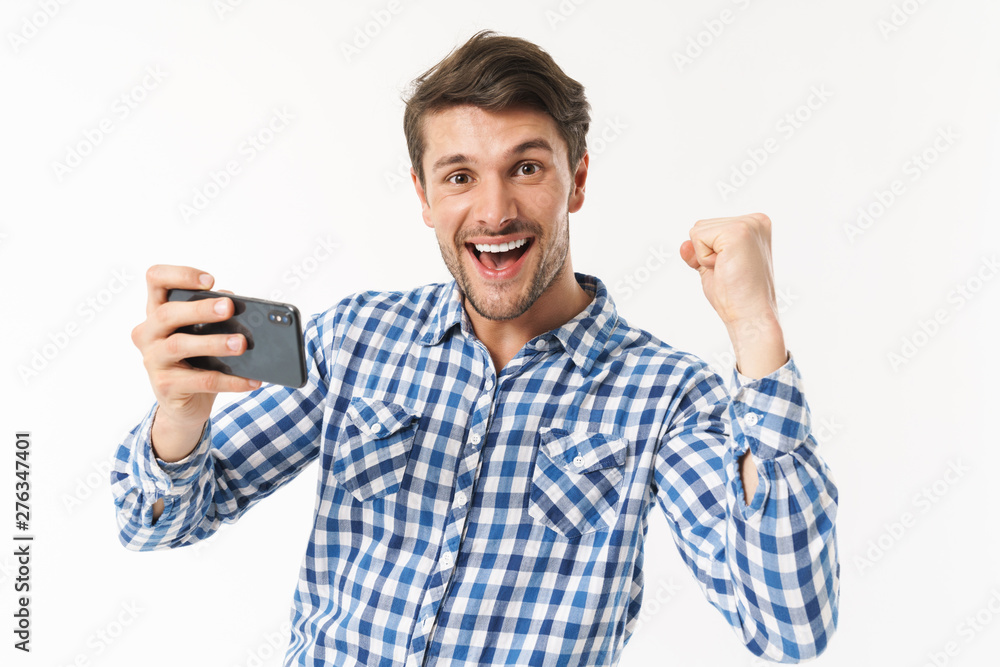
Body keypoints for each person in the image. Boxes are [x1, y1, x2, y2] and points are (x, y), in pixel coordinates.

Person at [112, 30, 839, 666]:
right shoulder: (356, 339)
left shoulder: (665, 395)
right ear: (425, 197)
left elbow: (791, 624)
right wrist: (179, 415)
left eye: (526, 167)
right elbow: (159, 522)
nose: (493, 211)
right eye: (460, 176)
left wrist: (757, 333)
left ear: (576, 180)